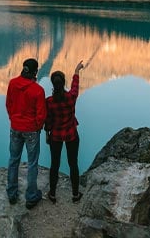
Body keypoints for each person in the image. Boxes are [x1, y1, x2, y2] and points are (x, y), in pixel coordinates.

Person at [6, 58, 47, 209]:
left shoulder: (12, 84)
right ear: (35, 71)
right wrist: (37, 127)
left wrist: (13, 119)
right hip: (31, 130)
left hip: (15, 127)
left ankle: (12, 193)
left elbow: (9, 104)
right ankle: (30, 196)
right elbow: (41, 114)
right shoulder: (38, 90)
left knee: (13, 160)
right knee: (32, 163)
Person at [44, 61, 85, 204]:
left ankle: (53, 194)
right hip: (71, 135)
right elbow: (75, 86)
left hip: (55, 136)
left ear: (53, 85)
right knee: (73, 163)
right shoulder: (71, 98)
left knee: (54, 164)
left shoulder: (49, 102)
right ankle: (75, 194)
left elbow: (48, 122)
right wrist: (76, 70)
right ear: (63, 83)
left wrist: (47, 134)